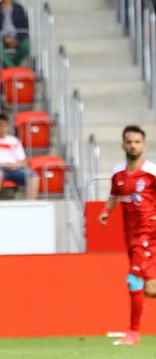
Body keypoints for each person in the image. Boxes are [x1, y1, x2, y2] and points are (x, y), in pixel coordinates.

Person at [98, 126, 156, 346]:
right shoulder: (118, 173)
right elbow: (114, 195)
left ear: (144, 145)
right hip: (130, 236)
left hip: (148, 235)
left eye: (137, 142)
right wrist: (106, 211)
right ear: (123, 145)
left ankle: (133, 333)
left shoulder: (151, 171)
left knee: (133, 280)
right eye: (129, 142)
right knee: (149, 289)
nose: (133, 145)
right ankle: (133, 332)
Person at [0, 113, 38, 201]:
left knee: (33, 176)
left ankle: (32, 205)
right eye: (0, 125)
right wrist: (1, 165)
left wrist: (15, 165)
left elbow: (24, 161)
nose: (2, 128)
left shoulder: (14, 140)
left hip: (13, 169)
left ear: (8, 126)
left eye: (5, 126)